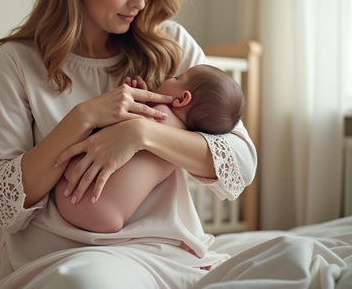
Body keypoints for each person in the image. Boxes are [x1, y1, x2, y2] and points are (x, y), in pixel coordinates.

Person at [0, 0, 257, 289]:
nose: (141, 2)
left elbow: (241, 161)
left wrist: (142, 133)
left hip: (164, 253)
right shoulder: (18, 61)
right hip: (61, 256)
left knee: (296, 258)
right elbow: (2, 203)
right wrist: (84, 117)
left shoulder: (171, 47)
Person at [55, 65, 245, 233]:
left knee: (71, 162)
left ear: (182, 99)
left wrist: (135, 101)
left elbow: (118, 122)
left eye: (178, 78)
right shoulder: (179, 147)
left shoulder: (160, 113)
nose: (169, 77)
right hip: (111, 219)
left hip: (77, 198)